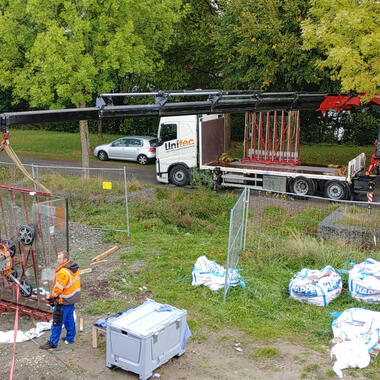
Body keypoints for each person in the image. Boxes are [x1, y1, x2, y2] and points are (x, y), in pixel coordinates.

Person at [40, 251, 80, 349]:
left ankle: (53, 343)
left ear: (65, 259)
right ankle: (70, 338)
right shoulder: (73, 268)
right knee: (69, 318)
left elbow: (58, 289)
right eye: (58, 258)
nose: (58, 261)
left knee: (57, 322)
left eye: (60, 259)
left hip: (63, 301)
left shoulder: (63, 272)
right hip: (72, 298)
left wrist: (50, 296)